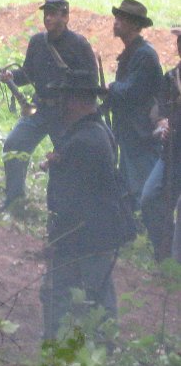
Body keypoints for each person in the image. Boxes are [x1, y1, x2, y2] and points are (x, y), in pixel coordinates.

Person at [40, 69, 134, 340]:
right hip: (94, 230)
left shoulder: (85, 139)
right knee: (92, 290)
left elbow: (72, 199)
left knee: (75, 292)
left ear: (76, 101)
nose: (60, 105)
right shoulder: (93, 131)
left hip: (86, 233)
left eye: (65, 98)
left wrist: (57, 237)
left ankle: (67, 345)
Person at [0, 0, 96, 208]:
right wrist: (11, 77)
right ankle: (14, 202)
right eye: (46, 14)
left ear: (66, 17)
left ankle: (66, 208)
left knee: (66, 159)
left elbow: (91, 83)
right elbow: (28, 73)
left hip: (66, 114)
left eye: (53, 13)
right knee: (14, 145)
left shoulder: (79, 45)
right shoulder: (37, 42)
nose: (48, 18)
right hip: (39, 109)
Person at [105, 0, 162, 205]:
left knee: (144, 190)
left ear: (136, 25)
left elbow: (131, 91)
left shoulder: (144, 55)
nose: (116, 21)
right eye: (117, 17)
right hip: (131, 133)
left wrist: (110, 88)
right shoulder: (132, 53)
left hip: (142, 134)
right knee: (131, 185)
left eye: (123, 18)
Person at [140, 27, 181, 261]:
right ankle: (162, 254)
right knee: (149, 199)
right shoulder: (171, 79)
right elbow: (159, 112)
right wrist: (162, 124)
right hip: (171, 154)